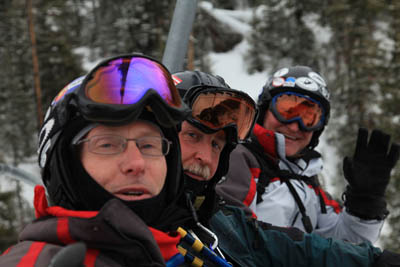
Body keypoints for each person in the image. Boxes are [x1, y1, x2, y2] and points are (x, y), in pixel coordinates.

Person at [1, 58, 399, 267]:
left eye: (309, 116)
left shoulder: (222, 218)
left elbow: (315, 250)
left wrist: (365, 206)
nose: (136, 163)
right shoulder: (244, 171)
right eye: (109, 145)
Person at [172, 70, 400, 267]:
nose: (294, 125)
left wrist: (365, 202)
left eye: (308, 117)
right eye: (287, 110)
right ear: (265, 109)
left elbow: (346, 245)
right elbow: (253, 241)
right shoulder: (239, 159)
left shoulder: (309, 185)